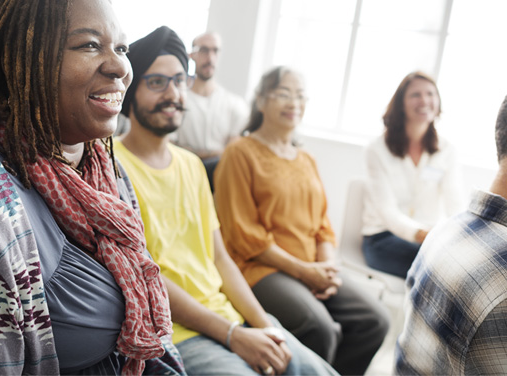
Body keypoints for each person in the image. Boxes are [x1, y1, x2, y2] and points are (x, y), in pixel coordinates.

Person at [0, 0, 183, 375]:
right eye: (89, 44)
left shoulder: (100, 166)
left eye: (121, 47)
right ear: (19, 59)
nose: (121, 66)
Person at [114, 26, 337, 376]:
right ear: (130, 91)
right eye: (156, 82)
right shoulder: (110, 166)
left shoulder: (191, 165)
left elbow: (219, 258)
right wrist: (233, 336)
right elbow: (145, 276)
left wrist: (264, 326)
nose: (172, 93)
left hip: (229, 314)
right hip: (179, 334)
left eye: (179, 80)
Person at [213, 66, 389, 375]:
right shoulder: (239, 153)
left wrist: (327, 268)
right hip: (260, 268)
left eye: (300, 95)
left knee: (375, 319)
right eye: (283, 94)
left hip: (311, 267)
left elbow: (322, 225)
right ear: (261, 101)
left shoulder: (306, 159)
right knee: (318, 326)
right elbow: (243, 235)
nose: (293, 103)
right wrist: (306, 272)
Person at [395, 95, 507, 375]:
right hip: (390, 233)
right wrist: (416, 230)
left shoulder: (445, 230)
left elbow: (452, 195)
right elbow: (386, 210)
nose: (424, 102)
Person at [361, 71, 465, 278]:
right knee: (442, 269)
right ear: (401, 104)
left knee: (457, 265)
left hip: (430, 240)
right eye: (415, 95)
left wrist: (462, 236)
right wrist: (424, 235)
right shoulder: (376, 149)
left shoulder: (447, 150)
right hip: (382, 238)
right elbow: (387, 212)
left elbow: (455, 204)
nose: (424, 100)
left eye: (430, 94)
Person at [172, 31, 249, 191]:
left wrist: (195, 153)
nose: (210, 57)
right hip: (182, 177)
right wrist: (214, 153)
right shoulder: (176, 99)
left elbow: (231, 154)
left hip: (220, 182)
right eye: (204, 50)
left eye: (215, 50)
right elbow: (169, 147)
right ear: (192, 55)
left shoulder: (234, 104)